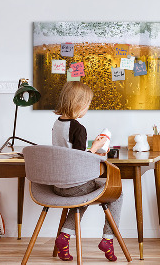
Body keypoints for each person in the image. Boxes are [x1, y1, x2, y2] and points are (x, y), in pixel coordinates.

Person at [52, 81, 123, 262]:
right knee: (117, 193)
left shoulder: (57, 124)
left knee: (82, 197)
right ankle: (108, 239)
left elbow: (69, 153)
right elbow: (80, 160)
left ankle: (65, 237)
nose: (87, 108)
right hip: (75, 185)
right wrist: (97, 148)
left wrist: (93, 149)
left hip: (58, 185)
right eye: (88, 105)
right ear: (79, 104)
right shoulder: (78, 128)